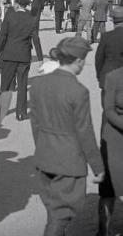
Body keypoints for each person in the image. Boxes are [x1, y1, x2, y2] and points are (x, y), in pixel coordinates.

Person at [30, 37, 104, 236]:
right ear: (79, 61)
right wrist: (97, 167)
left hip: (44, 158)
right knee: (60, 217)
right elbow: (85, 133)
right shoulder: (78, 91)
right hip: (68, 164)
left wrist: (43, 148)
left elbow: (35, 124)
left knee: (53, 212)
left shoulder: (38, 85)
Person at [0, 0, 43, 121]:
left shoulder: (10, 16)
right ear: (27, 4)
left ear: (17, 3)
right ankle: (21, 112)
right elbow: (35, 38)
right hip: (24, 55)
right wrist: (40, 58)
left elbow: (3, 36)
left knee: (5, 84)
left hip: (9, 54)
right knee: (22, 85)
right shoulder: (31, 18)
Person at [97, 66, 123, 235]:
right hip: (115, 137)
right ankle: (103, 231)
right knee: (108, 189)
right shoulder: (113, 77)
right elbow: (108, 110)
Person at [95, 6, 123, 92]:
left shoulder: (106, 37)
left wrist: (100, 76)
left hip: (107, 79)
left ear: (113, 21)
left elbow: (98, 60)